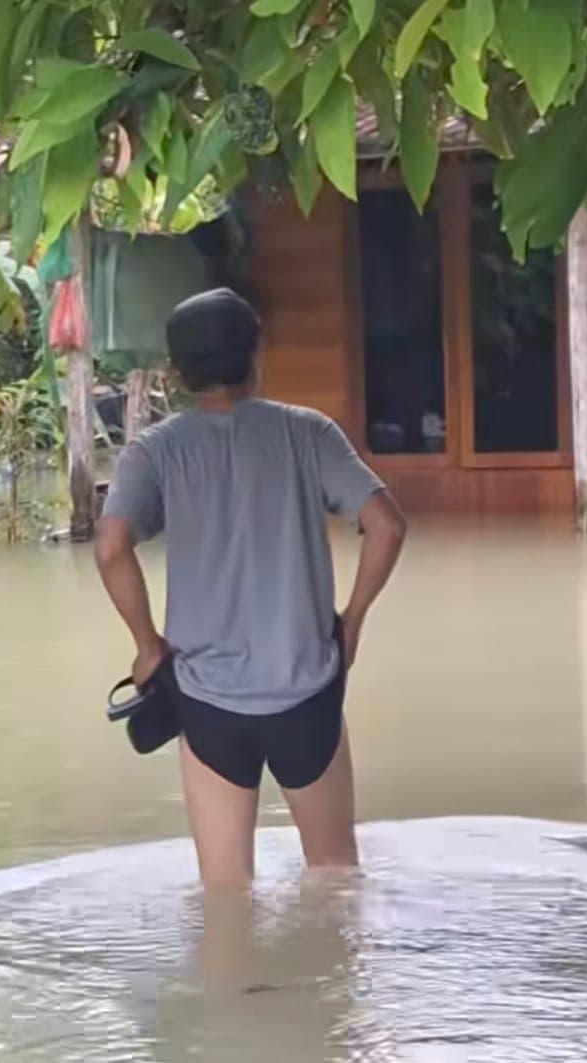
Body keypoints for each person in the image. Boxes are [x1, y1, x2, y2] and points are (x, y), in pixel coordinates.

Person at [95, 288, 405, 887]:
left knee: (226, 893)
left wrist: (146, 646)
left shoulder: (155, 452)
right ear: (256, 353)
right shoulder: (309, 434)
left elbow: (110, 545)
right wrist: (354, 619)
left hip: (208, 701)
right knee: (336, 880)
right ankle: (334, 984)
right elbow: (387, 526)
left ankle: (235, 982)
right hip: (308, 691)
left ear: (178, 373)